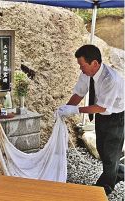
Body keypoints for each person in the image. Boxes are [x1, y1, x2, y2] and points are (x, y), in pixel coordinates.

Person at [57, 44, 124, 195]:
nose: (81, 69)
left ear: (94, 63)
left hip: (116, 117)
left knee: (110, 153)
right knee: (103, 150)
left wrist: (75, 110)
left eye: (82, 65)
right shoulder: (87, 74)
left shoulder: (110, 79)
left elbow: (102, 107)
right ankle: (119, 172)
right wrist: (66, 109)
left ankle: (102, 189)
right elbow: (79, 93)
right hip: (102, 116)